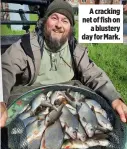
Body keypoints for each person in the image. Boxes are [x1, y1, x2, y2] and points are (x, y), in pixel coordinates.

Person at [0, 0, 127, 128]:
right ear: (45, 22)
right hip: (33, 100)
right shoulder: (26, 45)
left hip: (69, 100)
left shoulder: (75, 49)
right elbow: (5, 69)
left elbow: (93, 74)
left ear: (70, 28)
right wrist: (1, 101)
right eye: (54, 18)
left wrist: (115, 98)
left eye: (65, 21)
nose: (59, 25)